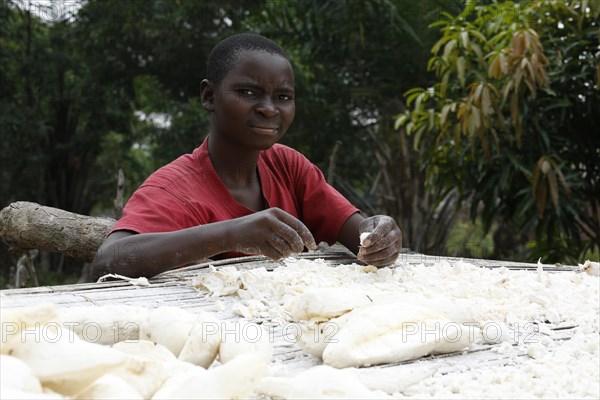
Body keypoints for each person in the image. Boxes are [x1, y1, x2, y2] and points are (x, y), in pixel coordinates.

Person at [91, 33, 402, 280]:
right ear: (209, 96)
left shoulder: (288, 166)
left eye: (283, 97)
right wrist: (231, 234)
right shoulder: (174, 188)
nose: (269, 108)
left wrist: (378, 234)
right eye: (248, 93)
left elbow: (359, 234)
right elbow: (109, 261)